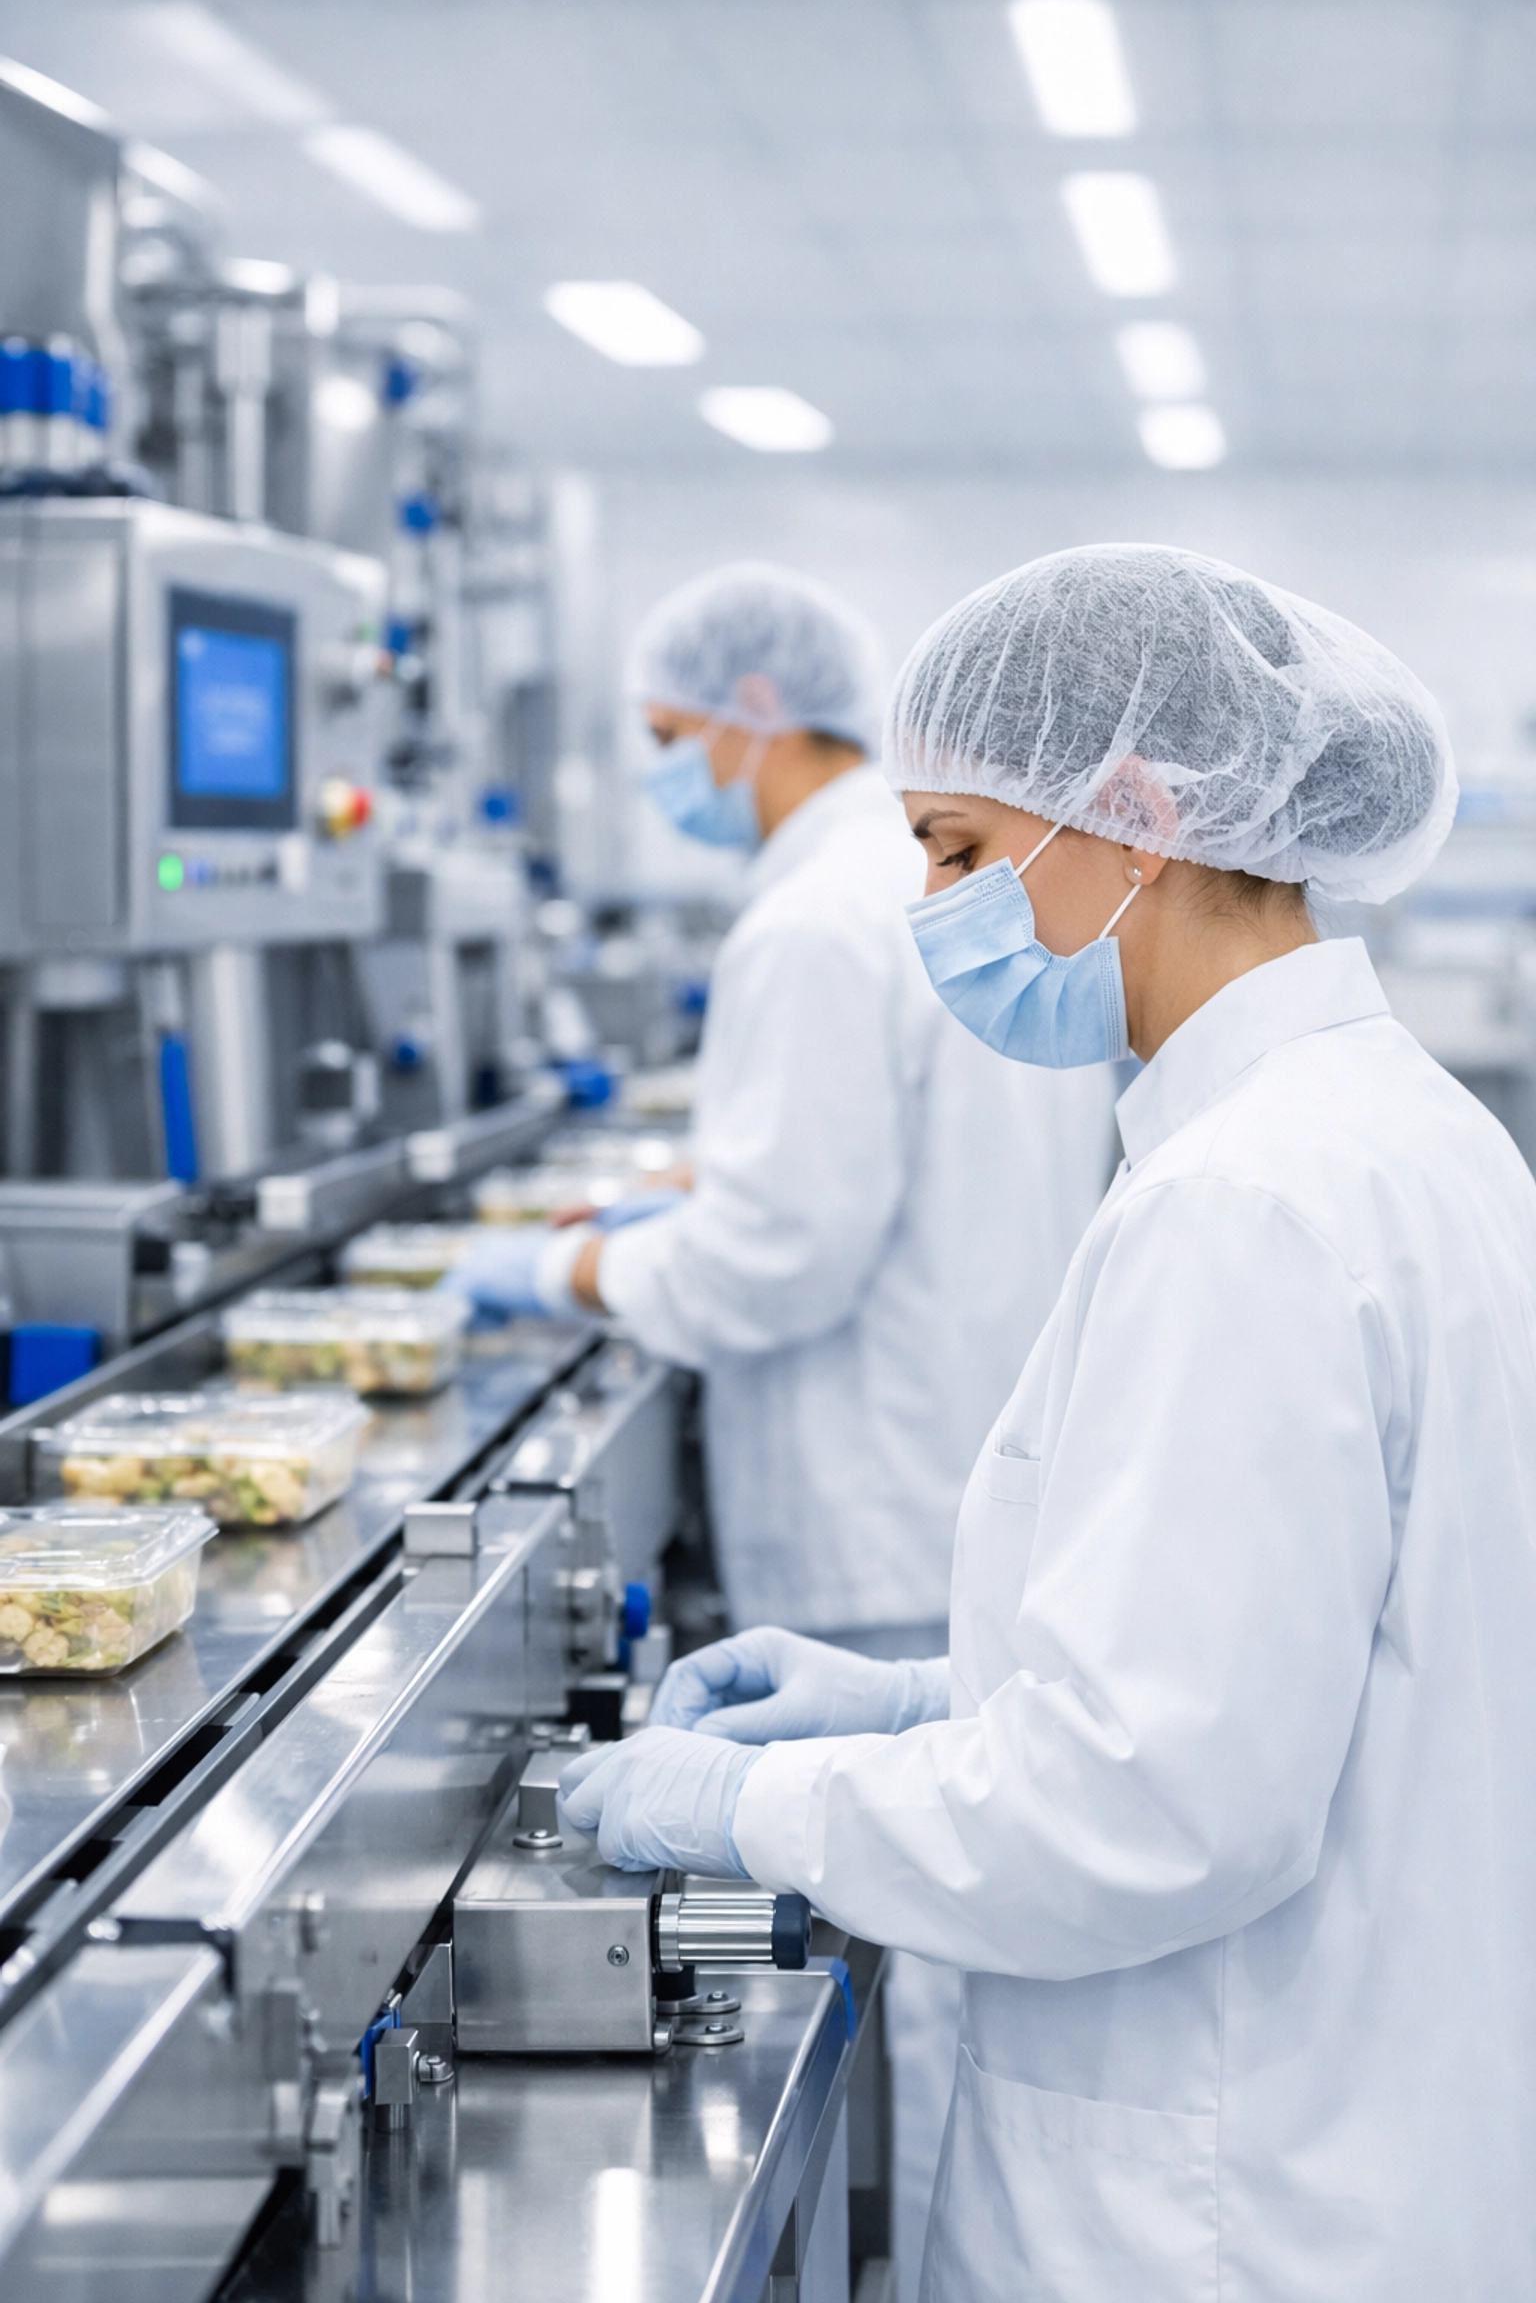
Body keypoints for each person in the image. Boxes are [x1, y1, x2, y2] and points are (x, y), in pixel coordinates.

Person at [560, 542, 1536, 2302]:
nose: (933, 902)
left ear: (1138, 812)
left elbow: (1149, 1808)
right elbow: (1303, 1677)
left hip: (1223, 2207)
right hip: (1369, 2133)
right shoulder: (1404, 1136)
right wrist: (933, 1699)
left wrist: (750, 1809)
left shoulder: (1247, 1207)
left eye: (957, 848)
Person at [449, 561, 1120, 2293]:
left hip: (878, 1489)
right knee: (966, 1951)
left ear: (754, 718)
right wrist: (688, 1194)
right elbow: (821, 1178)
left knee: (948, 1964)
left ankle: (923, 2264)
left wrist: (576, 1266)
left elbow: (777, 1258)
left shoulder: (812, 916)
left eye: (672, 739)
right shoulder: (894, 886)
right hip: (950, 1454)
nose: (670, 773)